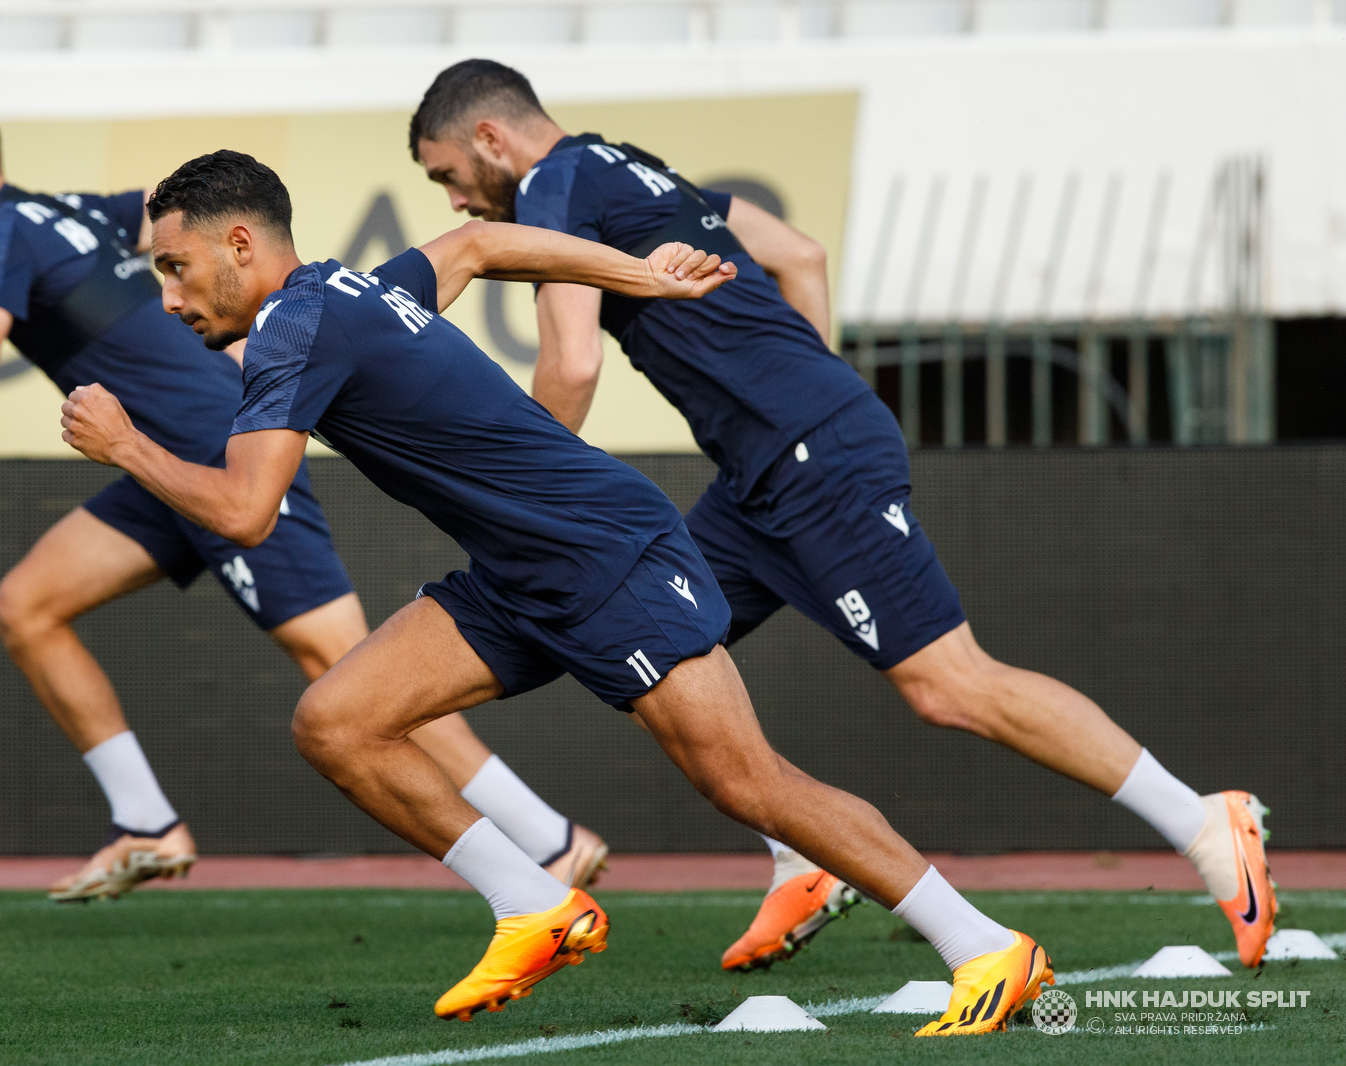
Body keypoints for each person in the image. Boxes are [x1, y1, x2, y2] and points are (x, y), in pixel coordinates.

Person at [60, 148, 1053, 1036]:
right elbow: (479, 242)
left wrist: (125, 446)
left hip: (601, 554)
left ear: (240, 242)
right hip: (519, 571)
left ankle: (982, 946)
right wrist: (643, 276)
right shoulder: (347, 291)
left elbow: (242, 512)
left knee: (746, 782)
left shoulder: (294, 326)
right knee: (337, 720)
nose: (170, 296)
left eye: (175, 267)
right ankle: (534, 903)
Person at [407, 58, 1278, 972]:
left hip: (806, 455)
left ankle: (1203, 822)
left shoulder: (551, 187)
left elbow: (573, 363)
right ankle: (805, 858)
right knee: (654, 657)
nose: (460, 204)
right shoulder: (627, 164)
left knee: (949, 683)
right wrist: (798, 388)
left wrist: (530, 499)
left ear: (490, 140)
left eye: (449, 178)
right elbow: (800, 254)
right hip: (765, 470)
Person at [0, 92, 608, 902]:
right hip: (159, 462)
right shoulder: (68, 213)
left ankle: (548, 840)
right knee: (26, 605)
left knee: (355, 674)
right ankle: (148, 824)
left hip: (222, 453)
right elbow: (171, 205)